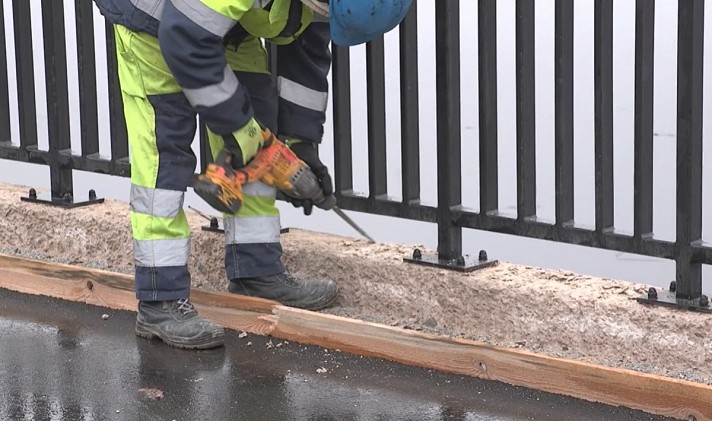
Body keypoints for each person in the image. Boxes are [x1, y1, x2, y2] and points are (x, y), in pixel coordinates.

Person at [92, 0, 413, 349]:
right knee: (163, 157)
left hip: (221, 23)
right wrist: (237, 125)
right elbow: (184, 37)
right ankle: (160, 299)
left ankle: (255, 270)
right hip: (153, 20)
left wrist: (299, 142)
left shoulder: (330, 5)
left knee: (259, 120)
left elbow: (304, 52)